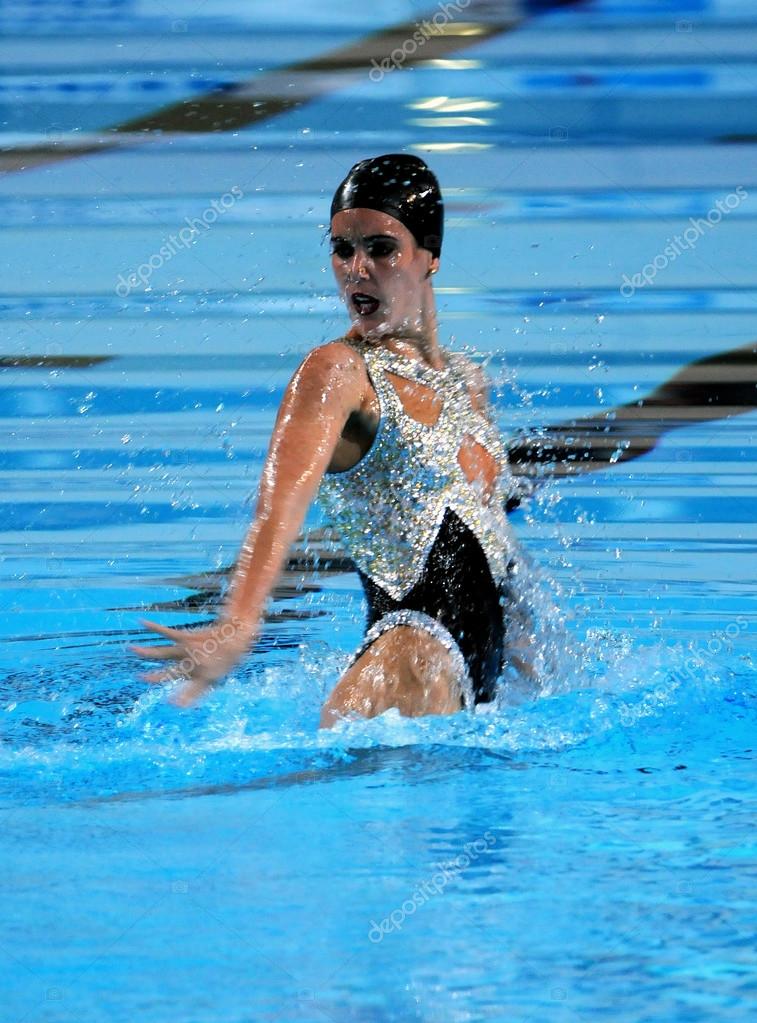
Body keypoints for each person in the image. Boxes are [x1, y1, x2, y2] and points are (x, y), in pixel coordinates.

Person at [131, 153, 525, 725]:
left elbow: (492, 542)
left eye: (381, 248)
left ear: (430, 255)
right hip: (405, 665)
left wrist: (528, 646)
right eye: (342, 249)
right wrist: (238, 622)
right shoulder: (337, 372)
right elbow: (277, 509)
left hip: (474, 688)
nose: (356, 269)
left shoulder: (467, 383)